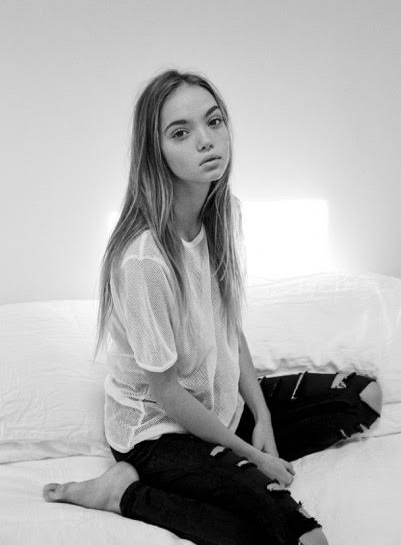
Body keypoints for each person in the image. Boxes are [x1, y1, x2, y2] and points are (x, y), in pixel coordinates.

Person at [43, 69, 382, 545]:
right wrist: (254, 456)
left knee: (364, 398)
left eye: (214, 121)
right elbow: (167, 393)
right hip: (159, 432)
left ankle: (222, 472)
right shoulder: (143, 260)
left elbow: (229, 329)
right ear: (156, 151)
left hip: (221, 408)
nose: (206, 140)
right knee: (297, 537)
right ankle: (123, 493)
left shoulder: (224, 216)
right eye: (181, 132)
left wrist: (262, 418)